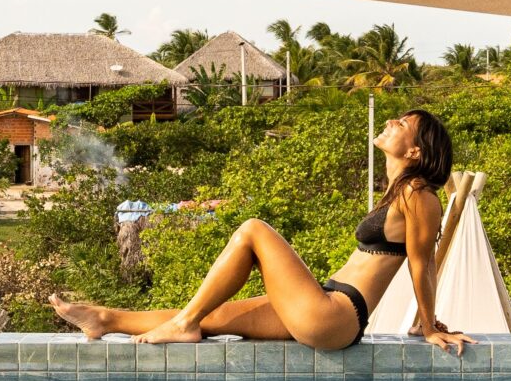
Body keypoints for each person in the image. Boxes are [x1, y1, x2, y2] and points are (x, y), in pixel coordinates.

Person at [53, 108, 473, 353]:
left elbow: (423, 265)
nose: (390, 122)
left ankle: (179, 324)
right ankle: (105, 319)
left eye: (402, 124)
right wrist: (425, 320)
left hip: (336, 316)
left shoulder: (419, 194)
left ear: (415, 151)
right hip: (327, 304)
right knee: (212, 317)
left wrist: (429, 325)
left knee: (254, 229)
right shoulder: (401, 191)